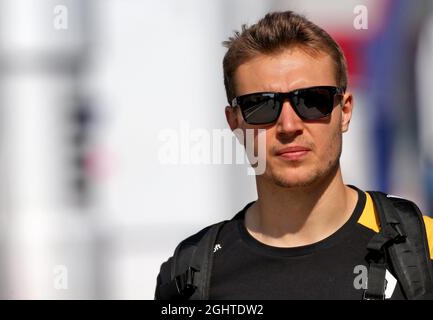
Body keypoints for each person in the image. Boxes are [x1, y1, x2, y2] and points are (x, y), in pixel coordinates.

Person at [155, 11, 433, 300]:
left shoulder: (423, 248)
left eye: (313, 101)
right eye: (261, 106)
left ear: (345, 112)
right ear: (235, 123)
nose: (289, 126)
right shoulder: (189, 276)